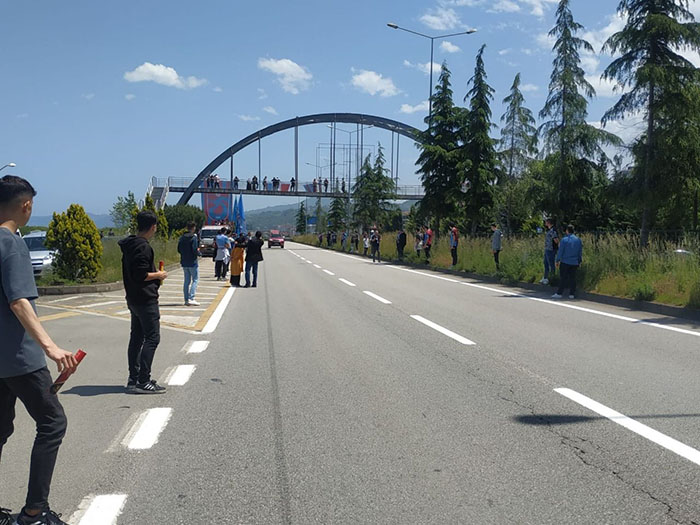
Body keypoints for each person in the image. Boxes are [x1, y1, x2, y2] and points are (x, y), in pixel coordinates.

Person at [0, 175, 79, 525]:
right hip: (18, 356)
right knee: (52, 422)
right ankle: (34, 511)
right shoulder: (12, 244)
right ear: (26, 205)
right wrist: (50, 346)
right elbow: (19, 301)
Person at [118, 210, 168, 395]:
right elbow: (141, 275)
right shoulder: (143, 247)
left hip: (133, 298)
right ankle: (143, 380)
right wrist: (159, 275)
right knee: (152, 338)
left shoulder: (129, 244)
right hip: (145, 299)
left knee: (137, 338)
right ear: (153, 227)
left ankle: (134, 377)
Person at [553, 224, 583, 299]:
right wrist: (579, 260)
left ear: (567, 231)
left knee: (563, 278)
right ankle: (572, 294)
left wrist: (557, 260)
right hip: (574, 262)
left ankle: (559, 293)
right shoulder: (578, 240)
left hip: (565, 261)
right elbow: (580, 252)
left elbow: (560, 251)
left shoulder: (564, 240)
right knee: (573, 278)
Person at [177, 222, 200, 306]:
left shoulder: (182, 238)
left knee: (186, 281)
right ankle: (192, 298)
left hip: (184, 261)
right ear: (193, 228)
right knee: (195, 279)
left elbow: (179, 249)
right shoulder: (193, 238)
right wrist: (198, 254)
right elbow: (194, 249)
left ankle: (186, 299)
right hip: (192, 262)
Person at [540, 219, 559, 285]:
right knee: (545, 263)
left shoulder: (553, 230)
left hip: (551, 249)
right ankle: (545, 277)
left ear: (548, 223)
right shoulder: (549, 230)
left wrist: (555, 246)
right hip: (547, 249)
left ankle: (551, 278)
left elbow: (556, 240)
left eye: (546, 222)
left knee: (551, 264)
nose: (545, 223)